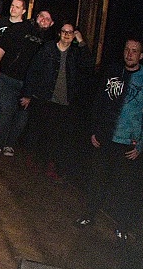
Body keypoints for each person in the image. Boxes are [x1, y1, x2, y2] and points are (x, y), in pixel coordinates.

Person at [78, 38, 143, 240]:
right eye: (127, 50)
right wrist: (95, 130)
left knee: (124, 188)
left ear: (141, 55)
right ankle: (88, 216)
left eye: (134, 51)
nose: (129, 54)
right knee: (97, 180)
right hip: (106, 137)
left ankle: (122, 227)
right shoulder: (113, 72)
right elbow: (100, 102)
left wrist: (142, 144)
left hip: (128, 143)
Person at [22, 21, 93, 180]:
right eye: (64, 31)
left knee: (57, 136)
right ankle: (35, 161)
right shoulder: (48, 48)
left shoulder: (75, 53)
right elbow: (33, 70)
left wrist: (81, 41)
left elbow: (89, 64)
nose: (67, 35)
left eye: (70, 32)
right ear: (59, 33)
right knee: (40, 132)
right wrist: (27, 94)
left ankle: (50, 165)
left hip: (64, 102)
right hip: (44, 98)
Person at [0, 7, 52, 156]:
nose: (43, 20)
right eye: (41, 16)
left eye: (47, 19)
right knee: (5, 111)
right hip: (8, 77)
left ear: (51, 23)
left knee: (22, 117)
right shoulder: (20, 27)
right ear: (36, 16)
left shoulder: (50, 41)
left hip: (30, 85)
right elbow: (3, 44)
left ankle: (9, 145)